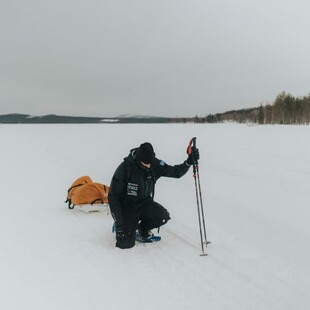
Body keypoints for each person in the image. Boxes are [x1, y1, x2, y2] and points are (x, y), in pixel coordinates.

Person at [108, 142, 199, 249]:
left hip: (145, 203)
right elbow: (113, 197)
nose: (148, 166)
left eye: (150, 163)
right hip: (128, 208)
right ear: (138, 159)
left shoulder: (153, 163)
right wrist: (119, 224)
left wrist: (188, 162)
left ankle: (142, 229)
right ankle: (123, 224)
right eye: (145, 164)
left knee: (163, 216)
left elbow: (175, 172)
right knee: (125, 244)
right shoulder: (125, 168)